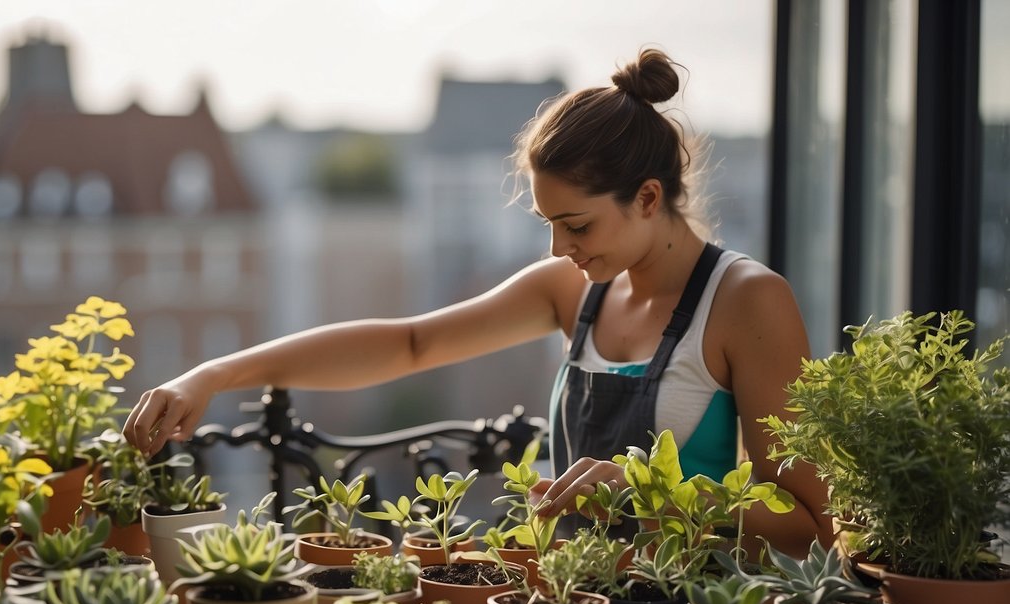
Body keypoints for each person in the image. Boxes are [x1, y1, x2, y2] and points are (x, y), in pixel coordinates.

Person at [123, 48, 831, 558]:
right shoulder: (574, 291)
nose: (558, 251)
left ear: (648, 197)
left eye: (577, 225)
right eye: (547, 225)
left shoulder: (745, 302)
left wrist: (652, 492)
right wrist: (211, 376)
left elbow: (807, 521)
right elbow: (409, 344)